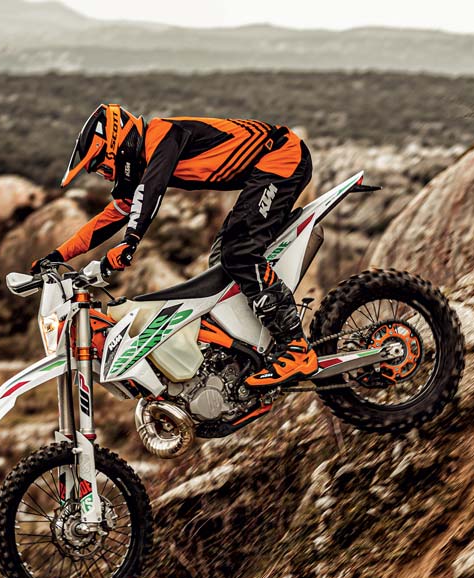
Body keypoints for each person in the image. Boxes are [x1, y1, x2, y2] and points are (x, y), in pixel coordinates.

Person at [32, 104, 317, 387]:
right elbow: (109, 217)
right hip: (263, 172)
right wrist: (58, 255)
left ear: (119, 146)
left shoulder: (163, 135)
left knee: (239, 252)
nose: (106, 175)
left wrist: (130, 241)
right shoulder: (145, 163)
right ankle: (247, 350)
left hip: (282, 158)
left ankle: (295, 347)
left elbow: (151, 191)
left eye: (103, 166)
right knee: (221, 263)